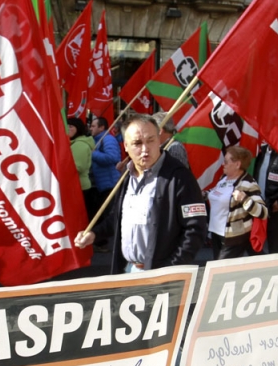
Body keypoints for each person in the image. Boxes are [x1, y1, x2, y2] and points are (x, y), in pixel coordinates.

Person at [73, 114, 206, 273]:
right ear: (126, 146)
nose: (145, 149)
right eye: (137, 143)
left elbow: (195, 230)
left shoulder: (180, 177)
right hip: (126, 270)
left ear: (159, 139)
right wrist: (94, 233)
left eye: (151, 140)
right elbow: (117, 217)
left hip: (162, 274)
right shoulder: (127, 176)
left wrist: (171, 269)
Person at [205, 146, 267, 259]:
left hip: (234, 235)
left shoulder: (248, 183)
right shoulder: (224, 178)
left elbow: (263, 212)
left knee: (221, 267)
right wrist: (201, 194)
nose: (223, 164)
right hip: (216, 232)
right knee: (217, 265)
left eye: (226, 161)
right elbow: (216, 193)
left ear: (237, 164)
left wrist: (244, 199)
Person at [89, 116, 123, 219]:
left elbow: (112, 157)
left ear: (101, 127)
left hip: (109, 185)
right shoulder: (95, 140)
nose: (90, 128)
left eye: (93, 126)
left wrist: (92, 154)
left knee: (108, 216)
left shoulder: (108, 139)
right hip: (100, 185)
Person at [68, 117, 94, 202]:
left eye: (71, 126)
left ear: (78, 128)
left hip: (79, 186)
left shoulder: (80, 144)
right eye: (66, 126)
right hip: (76, 185)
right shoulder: (74, 143)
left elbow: (78, 167)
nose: (68, 129)